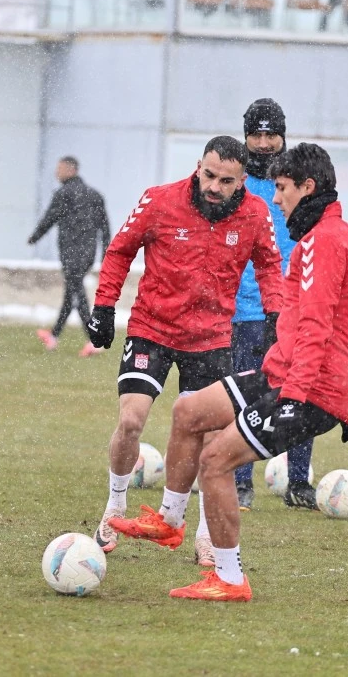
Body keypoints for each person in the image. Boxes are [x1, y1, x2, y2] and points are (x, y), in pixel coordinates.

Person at [110, 143, 348, 601]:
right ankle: (170, 519)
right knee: (189, 411)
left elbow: (319, 327)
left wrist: (303, 398)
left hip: (306, 389)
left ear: (307, 187)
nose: (276, 200)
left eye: (281, 189)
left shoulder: (324, 242)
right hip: (283, 375)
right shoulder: (336, 235)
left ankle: (230, 578)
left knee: (216, 462)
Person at [87, 135, 284, 554]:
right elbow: (120, 251)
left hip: (211, 338)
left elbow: (269, 264)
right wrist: (104, 306)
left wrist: (275, 317)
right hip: (152, 328)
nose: (214, 186)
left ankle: (203, 534)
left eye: (225, 181)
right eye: (208, 175)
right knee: (131, 421)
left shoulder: (256, 213)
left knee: (212, 439)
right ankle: (114, 503)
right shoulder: (159, 200)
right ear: (198, 166)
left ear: (242, 179)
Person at [232, 100, 317, 511]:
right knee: (246, 395)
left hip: (293, 308)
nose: (264, 143)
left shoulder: (298, 180)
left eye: (272, 134)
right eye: (257, 134)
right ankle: (240, 482)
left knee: (298, 391)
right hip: (243, 310)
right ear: (246, 135)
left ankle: (299, 483)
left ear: (284, 134)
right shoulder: (235, 181)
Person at [28, 156, 111, 358]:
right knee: (71, 293)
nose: (57, 173)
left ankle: (94, 339)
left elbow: (50, 217)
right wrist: (106, 254)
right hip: (87, 253)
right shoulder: (95, 195)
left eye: (60, 168)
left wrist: (34, 238)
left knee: (78, 295)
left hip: (71, 252)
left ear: (70, 169)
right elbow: (105, 227)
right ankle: (54, 335)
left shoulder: (64, 193)